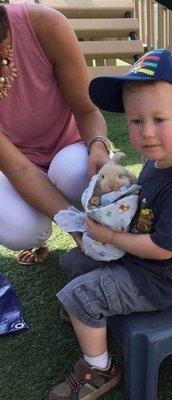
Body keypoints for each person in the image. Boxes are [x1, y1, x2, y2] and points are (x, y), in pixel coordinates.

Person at [49, 48, 172, 400]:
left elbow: (163, 250)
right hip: (135, 261)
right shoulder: (155, 161)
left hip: (156, 281)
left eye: (158, 120)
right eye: (136, 121)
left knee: (80, 293)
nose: (146, 132)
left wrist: (111, 236)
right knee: (72, 261)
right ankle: (87, 317)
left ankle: (99, 368)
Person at [0, 2, 110, 265]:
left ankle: (102, 223)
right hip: (15, 163)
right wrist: (74, 226)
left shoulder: (45, 24)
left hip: (68, 145)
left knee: (78, 174)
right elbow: (19, 169)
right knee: (20, 230)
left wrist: (97, 145)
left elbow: (87, 111)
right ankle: (41, 236)